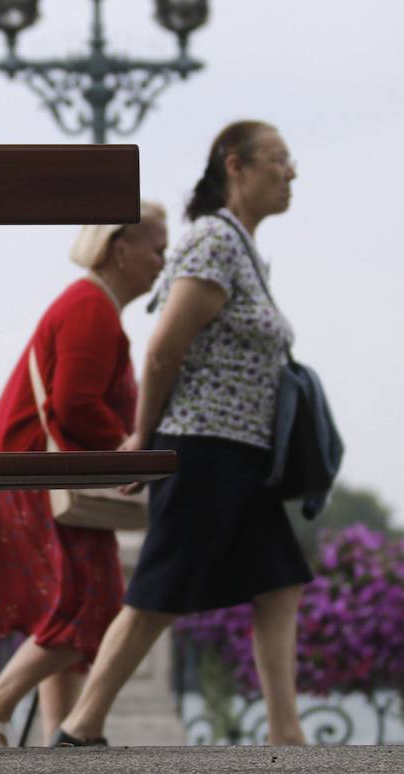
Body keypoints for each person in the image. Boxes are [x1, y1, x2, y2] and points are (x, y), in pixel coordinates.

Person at [54, 120, 311, 747]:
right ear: (237, 166)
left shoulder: (239, 246)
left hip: (241, 451)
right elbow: (165, 348)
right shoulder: (213, 243)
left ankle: (285, 731)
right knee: (158, 594)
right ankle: (80, 726)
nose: (292, 172)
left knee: (280, 581)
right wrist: (143, 439)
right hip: (206, 448)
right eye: (278, 159)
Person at [0, 202, 168, 747]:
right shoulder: (91, 307)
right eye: (158, 248)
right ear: (121, 248)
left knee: (66, 601)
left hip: (30, 469)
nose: (164, 262)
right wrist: (126, 445)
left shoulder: (90, 304)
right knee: (94, 606)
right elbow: (74, 404)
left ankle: (56, 743)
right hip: (41, 473)